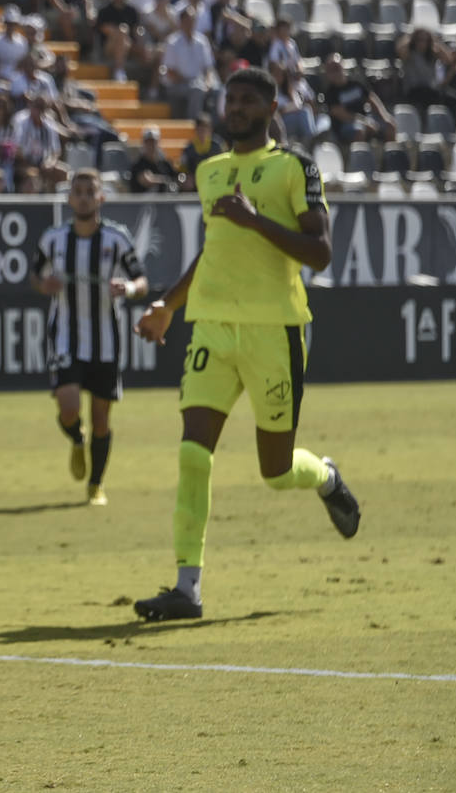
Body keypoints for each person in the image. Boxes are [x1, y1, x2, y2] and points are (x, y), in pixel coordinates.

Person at [132, 67, 361, 623]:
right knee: (192, 451)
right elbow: (215, 249)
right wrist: (168, 305)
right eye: (230, 98)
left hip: (273, 332)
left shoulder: (294, 167)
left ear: (271, 106)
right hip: (211, 327)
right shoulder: (209, 171)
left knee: (276, 470)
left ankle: (326, 476)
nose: (234, 107)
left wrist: (257, 221)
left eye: (247, 99)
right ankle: (187, 590)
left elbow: (320, 252)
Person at [31, 169, 147, 506]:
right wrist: (44, 285)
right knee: (68, 408)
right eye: (77, 191)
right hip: (66, 335)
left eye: (89, 191)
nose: (82, 197)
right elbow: (35, 274)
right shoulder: (53, 239)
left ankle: (95, 485)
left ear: (101, 198)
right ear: (69, 199)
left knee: (101, 419)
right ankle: (74, 437)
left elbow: (141, 281)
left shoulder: (116, 239)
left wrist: (126, 287)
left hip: (105, 340)